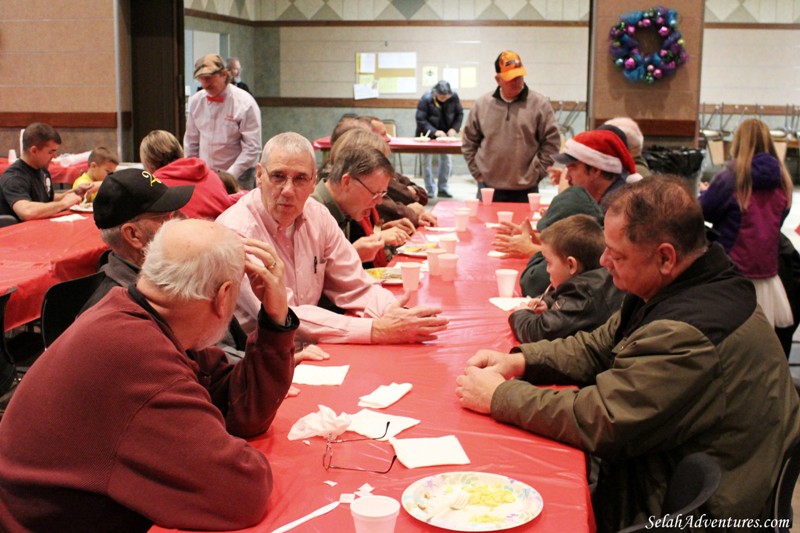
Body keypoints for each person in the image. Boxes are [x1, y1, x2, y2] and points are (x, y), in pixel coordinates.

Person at [456, 177, 800, 531]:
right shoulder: (683, 282)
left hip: (705, 507)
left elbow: (605, 418)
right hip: (693, 463)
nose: (604, 262)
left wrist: (500, 396)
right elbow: (600, 344)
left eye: (616, 254)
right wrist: (522, 360)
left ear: (665, 256)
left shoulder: (687, 331)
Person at [0, 218, 299, 532]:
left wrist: (274, 321)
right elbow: (241, 493)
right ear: (225, 296)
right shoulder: (138, 354)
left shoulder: (138, 315)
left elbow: (242, 409)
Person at [216, 132, 449, 344]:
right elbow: (283, 314)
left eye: (300, 179)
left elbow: (356, 286)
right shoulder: (238, 231)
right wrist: (376, 329)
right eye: (278, 176)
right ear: (259, 175)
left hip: (312, 345)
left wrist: (391, 311)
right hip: (257, 359)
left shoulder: (317, 215)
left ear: (313, 181)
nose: (288, 189)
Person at [701, 117, 794, 330]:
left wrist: (706, 193)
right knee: (760, 334)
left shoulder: (731, 178)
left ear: (739, 142)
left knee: (727, 333)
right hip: (767, 273)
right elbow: (780, 217)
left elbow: (704, 211)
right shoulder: (783, 180)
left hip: (732, 269)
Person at [80, 168, 194, 312]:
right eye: (168, 216)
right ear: (133, 235)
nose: (183, 219)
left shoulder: (160, 278)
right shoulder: (124, 313)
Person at [461, 50, 560, 202]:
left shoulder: (539, 104)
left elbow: (551, 142)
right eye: (511, 78)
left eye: (519, 76)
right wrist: (477, 173)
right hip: (488, 186)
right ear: (498, 79)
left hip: (526, 188)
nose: (517, 82)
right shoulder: (482, 105)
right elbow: (469, 141)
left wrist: (538, 173)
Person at [508, 214, 624, 343]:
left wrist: (521, 313)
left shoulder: (583, 294)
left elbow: (540, 332)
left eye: (548, 262)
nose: (547, 269)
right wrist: (549, 301)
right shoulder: (595, 279)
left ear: (571, 265)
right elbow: (566, 297)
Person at [315, 129, 416, 267]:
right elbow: (306, 280)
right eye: (375, 194)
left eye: (382, 195)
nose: (379, 201)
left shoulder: (346, 207)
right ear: (347, 182)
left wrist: (380, 231)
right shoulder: (312, 212)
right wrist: (353, 255)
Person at [184, 53, 261, 191]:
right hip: (206, 175)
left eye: (209, 78)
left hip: (239, 176)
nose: (205, 84)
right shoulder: (196, 101)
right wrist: (194, 171)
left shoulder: (245, 103)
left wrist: (229, 176)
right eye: (201, 79)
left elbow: (252, 148)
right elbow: (191, 142)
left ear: (224, 75)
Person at [0, 123, 92, 221]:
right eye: (50, 152)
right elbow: (27, 211)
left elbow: (46, 198)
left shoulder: (42, 171)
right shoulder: (14, 177)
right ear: (34, 151)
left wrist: (72, 193)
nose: (55, 156)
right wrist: (64, 203)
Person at [140, 129, 237, 220]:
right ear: (179, 149)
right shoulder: (211, 175)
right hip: (223, 233)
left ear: (148, 163)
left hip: (188, 236)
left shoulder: (154, 187)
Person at [415, 80, 464, 198]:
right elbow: (421, 119)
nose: (443, 99)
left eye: (445, 97)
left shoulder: (453, 97)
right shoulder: (426, 98)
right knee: (427, 162)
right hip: (427, 135)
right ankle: (430, 190)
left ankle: (443, 188)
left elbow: (459, 114)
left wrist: (454, 128)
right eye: (440, 97)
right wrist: (434, 132)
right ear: (435, 94)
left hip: (446, 135)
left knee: (446, 160)